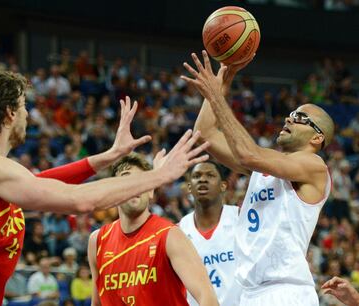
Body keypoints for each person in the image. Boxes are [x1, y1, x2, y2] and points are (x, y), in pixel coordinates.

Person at [0, 67, 209, 305]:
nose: (27, 113)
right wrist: (159, 175)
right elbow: (80, 201)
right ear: (10, 113)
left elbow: (41, 182)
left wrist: (109, 156)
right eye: (24, 105)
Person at [182, 51, 334, 305]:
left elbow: (248, 154)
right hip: (250, 292)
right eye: (290, 114)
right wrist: (224, 78)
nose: (289, 118)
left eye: (300, 118)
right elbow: (204, 134)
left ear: (317, 138)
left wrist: (217, 96)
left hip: (286, 291)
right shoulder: (266, 168)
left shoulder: (314, 166)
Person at [88, 153, 218, 306]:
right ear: (114, 190)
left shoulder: (170, 235)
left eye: (142, 182)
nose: (135, 186)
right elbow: (97, 303)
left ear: (150, 192)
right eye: (126, 179)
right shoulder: (97, 240)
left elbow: (207, 297)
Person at [179, 161, 240, 305]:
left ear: (223, 185)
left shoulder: (240, 218)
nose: (203, 179)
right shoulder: (179, 230)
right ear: (189, 187)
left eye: (210, 175)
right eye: (196, 176)